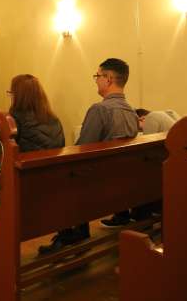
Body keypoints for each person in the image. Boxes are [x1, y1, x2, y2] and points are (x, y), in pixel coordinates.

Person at [39, 58, 138, 255]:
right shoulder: (131, 111)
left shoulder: (100, 109)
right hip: (123, 184)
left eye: (98, 76)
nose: (96, 80)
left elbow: (81, 151)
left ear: (109, 79)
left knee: (61, 176)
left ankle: (71, 234)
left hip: (99, 188)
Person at [0, 74, 65, 191]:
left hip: (26, 180)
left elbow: (0, 156)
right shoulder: (54, 119)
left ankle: (1, 209)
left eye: (11, 93)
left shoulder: (14, 120)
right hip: (53, 177)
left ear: (18, 96)